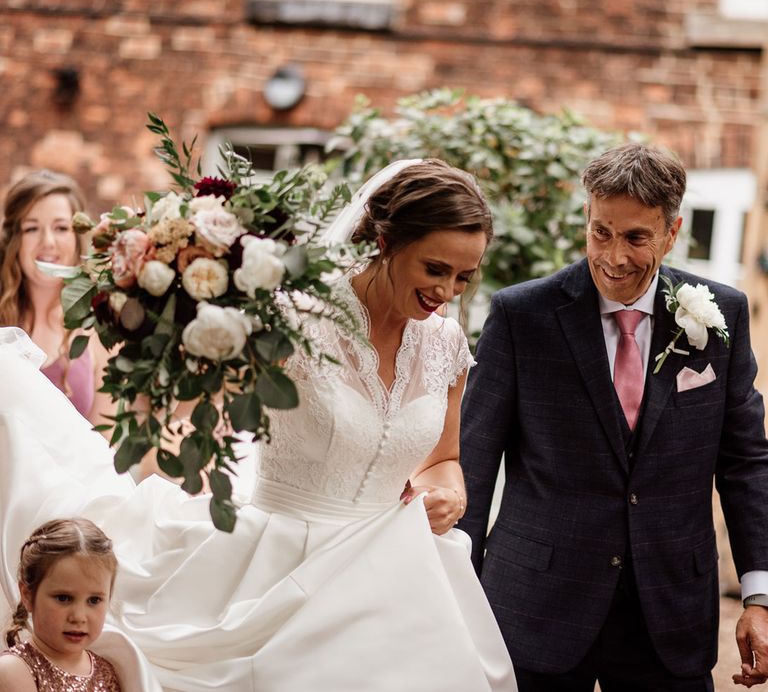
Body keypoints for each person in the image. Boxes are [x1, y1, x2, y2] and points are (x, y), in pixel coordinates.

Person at [0, 159, 518, 691]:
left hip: (401, 575)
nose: (449, 291)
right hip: (278, 567)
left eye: (464, 276)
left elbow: (442, 459)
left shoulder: (446, 344)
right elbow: (181, 410)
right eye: (435, 269)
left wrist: (447, 492)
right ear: (385, 242)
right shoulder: (289, 320)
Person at [459, 143, 768, 691]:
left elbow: (747, 465)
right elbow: (474, 464)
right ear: (587, 217)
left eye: (636, 238)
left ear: (671, 234)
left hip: (669, 615)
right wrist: (454, 593)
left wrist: (759, 596)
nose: (614, 256)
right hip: (534, 607)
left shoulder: (724, 315)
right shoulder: (520, 315)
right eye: (602, 231)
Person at [0, 169, 112, 424]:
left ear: (76, 238)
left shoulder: (100, 329)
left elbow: (106, 446)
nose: (48, 241)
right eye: (31, 229)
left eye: (61, 227)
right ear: (14, 239)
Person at [0, 518, 122, 691]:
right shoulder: (13, 670)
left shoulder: (108, 671)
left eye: (94, 600)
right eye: (63, 598)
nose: (79, 617)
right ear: (27, 595)